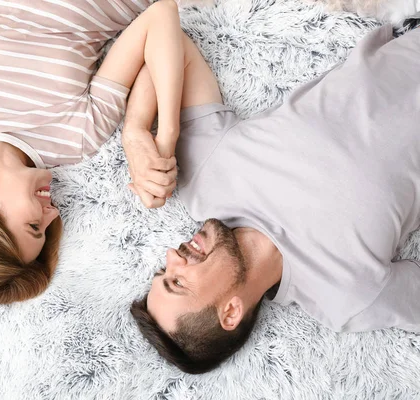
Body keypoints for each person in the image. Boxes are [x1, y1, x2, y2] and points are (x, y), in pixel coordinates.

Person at [128, 25, 420, 374]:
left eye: (164, 269)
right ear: (231, 312)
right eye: (176, 281)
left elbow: (169, 36)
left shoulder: (204, 178)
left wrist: (137, 132)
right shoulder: (345, 297)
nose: (172, 256)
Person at [0, 0, 203, 311]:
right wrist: (163, 139)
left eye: (34, 225)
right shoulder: (76, 139)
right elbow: (161, 16)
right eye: (46, 230)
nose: (53, 214)